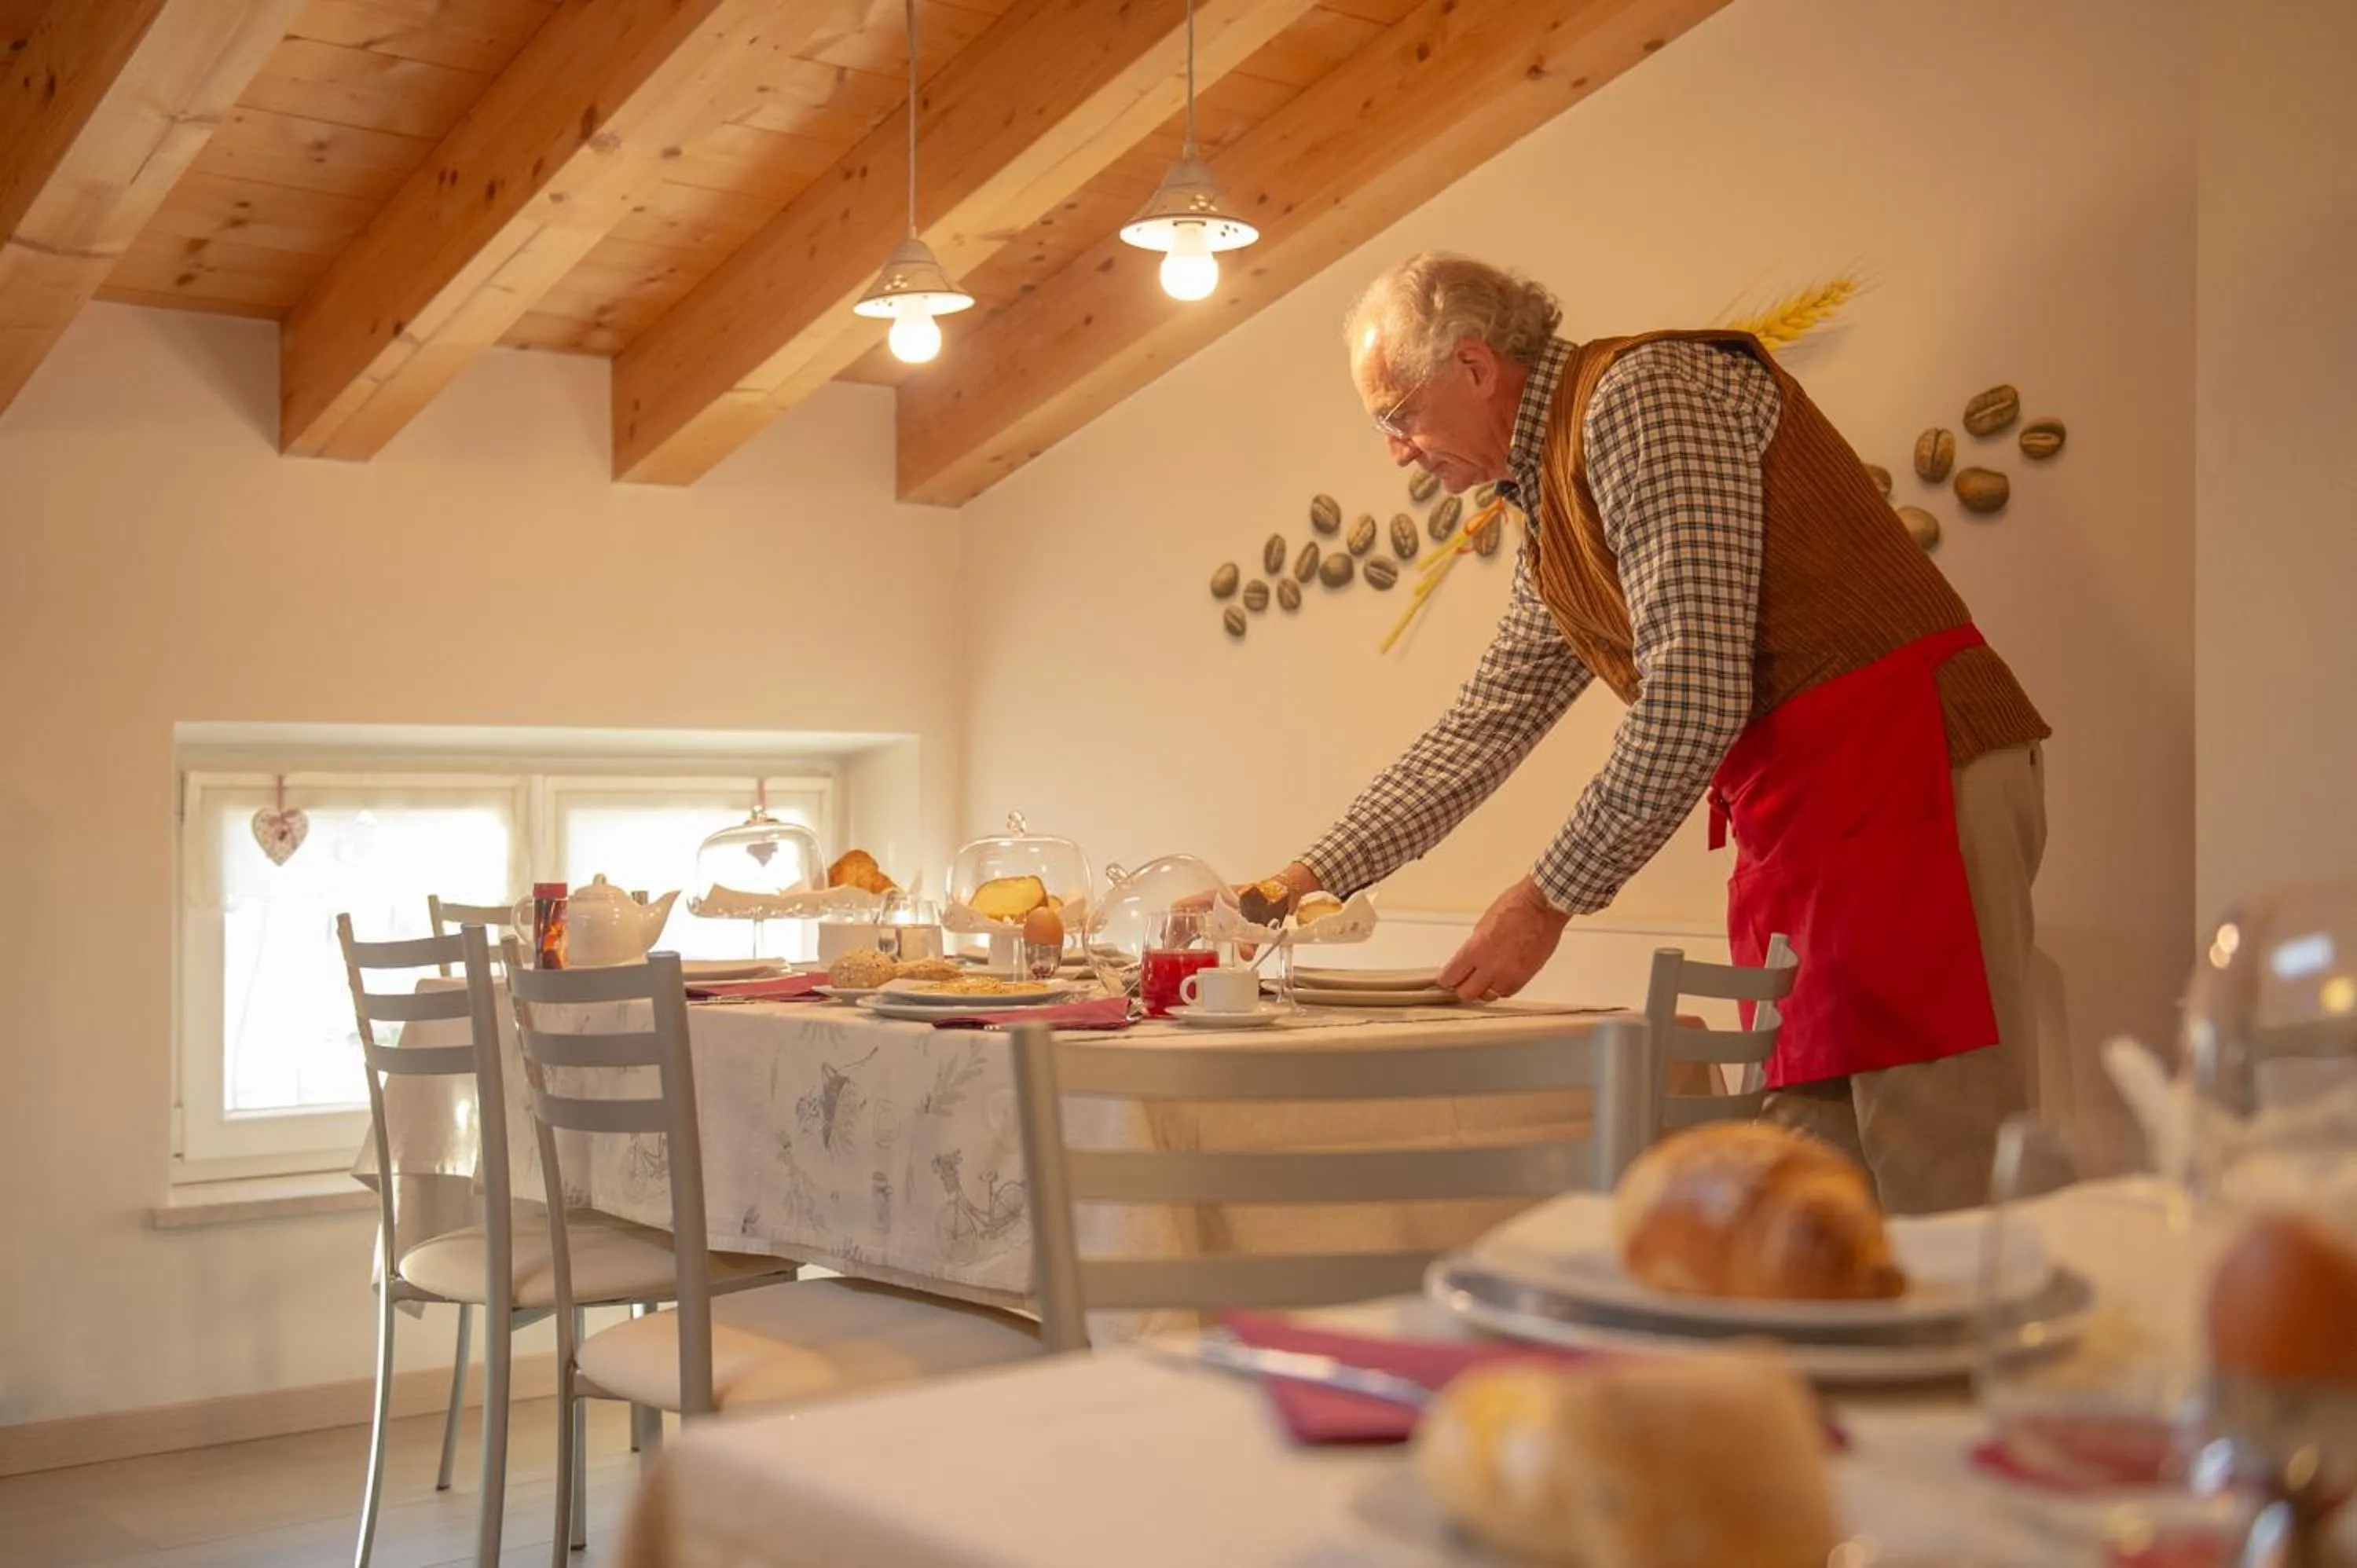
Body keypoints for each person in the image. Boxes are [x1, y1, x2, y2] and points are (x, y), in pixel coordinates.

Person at [1252, 254, 2051, 1213]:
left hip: (1908, 769)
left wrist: (1546, 899)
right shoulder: (1552, 503)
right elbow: (1480, 728)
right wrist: (1293, 885)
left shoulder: (1640, 398)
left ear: (1472, 365)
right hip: (1810, 814)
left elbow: (1693, 694)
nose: (1396, 452)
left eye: (1398, 417)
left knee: (1942, 1178)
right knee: (1811, 1196)